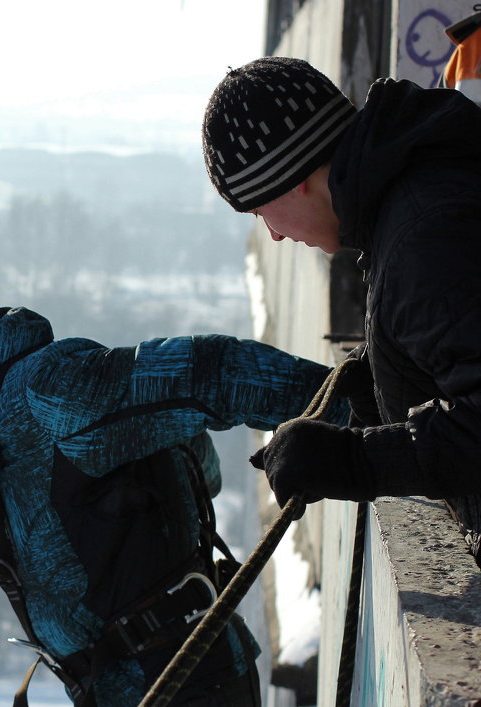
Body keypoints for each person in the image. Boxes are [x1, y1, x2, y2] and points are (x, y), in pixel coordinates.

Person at [0, 258, 348, 707]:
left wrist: (354, 408)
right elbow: (190, 453)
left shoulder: (46, 392)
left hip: (179, 704)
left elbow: (206, 374)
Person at [202, 56, 481, 552]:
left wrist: (354, 462)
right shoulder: (413, 194)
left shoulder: (423, 232)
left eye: (263, 210)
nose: (275, 234)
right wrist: (385, 374)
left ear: (293, 178)